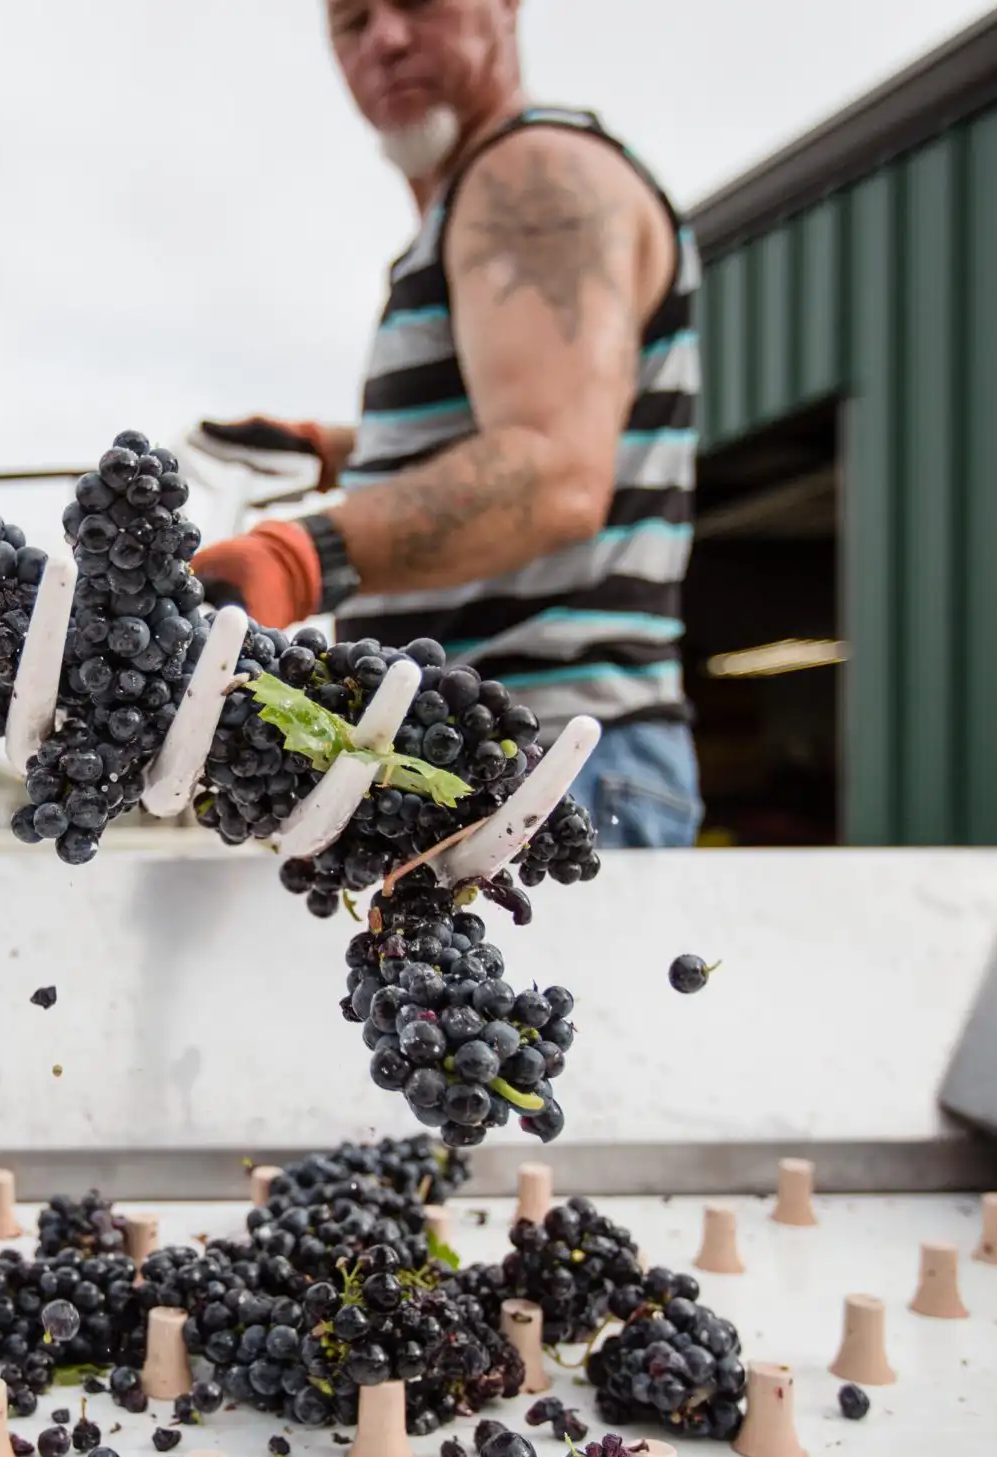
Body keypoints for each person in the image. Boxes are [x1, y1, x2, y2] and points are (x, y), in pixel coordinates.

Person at [191, 0, 704, 849]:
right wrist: (340, 452)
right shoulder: (477, 204)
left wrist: (297, 556)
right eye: (352, 22)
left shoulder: (533, 177)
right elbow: (529, 423)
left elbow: (554, 472)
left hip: (548, 767)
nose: (385, 40)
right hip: (479, 764)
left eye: (418, 4)